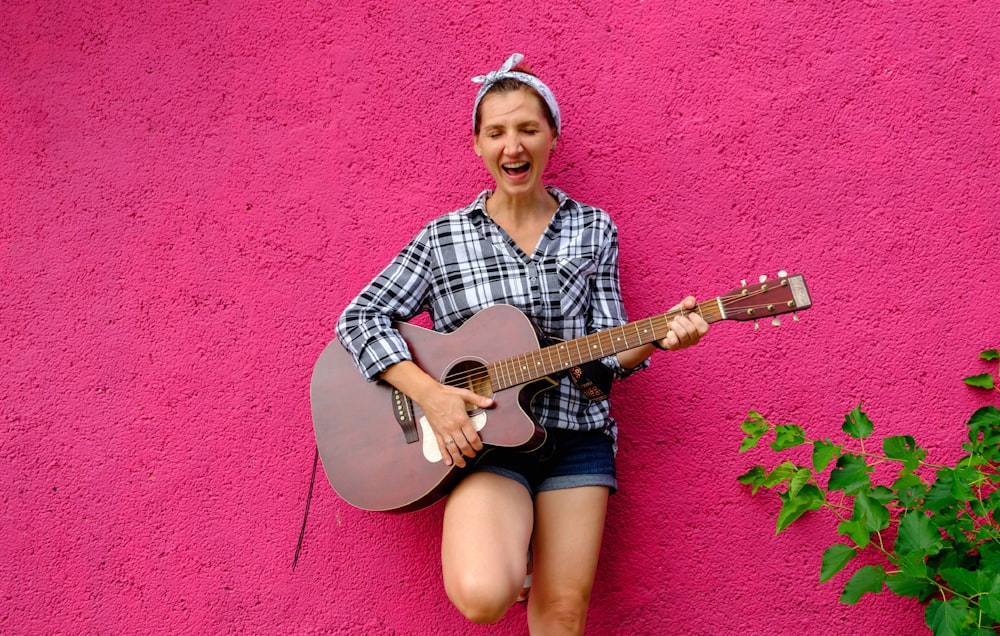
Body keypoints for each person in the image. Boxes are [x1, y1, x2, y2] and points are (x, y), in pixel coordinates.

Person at [335, 53, 709, 635]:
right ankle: (516, 556)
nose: (514, 145)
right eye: (498, 132)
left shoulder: (594, 228)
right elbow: (359, 320)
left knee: (562, 614)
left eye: (528, 129)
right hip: (487, 447)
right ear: (478, 146)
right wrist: (432, 394)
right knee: (484, 594)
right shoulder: (444, 237)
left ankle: (536, 554)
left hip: (577, 434)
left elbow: (610, 346)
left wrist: (660, 337)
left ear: (552, 138)